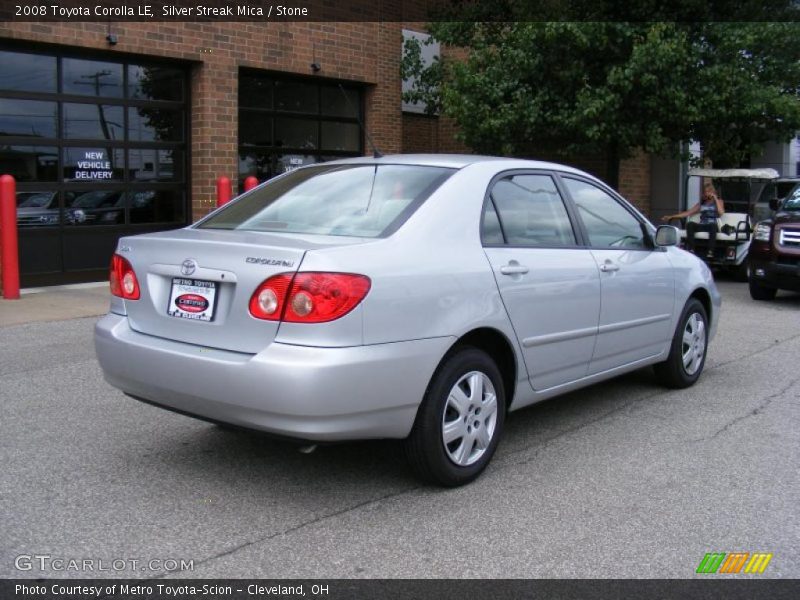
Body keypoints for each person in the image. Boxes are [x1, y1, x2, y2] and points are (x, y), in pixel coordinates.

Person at [662, 185, 725, 257]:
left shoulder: (719, 201)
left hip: (712, 225)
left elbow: (721, 212)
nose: (707, 193)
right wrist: (671, 216)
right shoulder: (702, 203)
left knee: (713, 226)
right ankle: (691, 249)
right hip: (703, 224)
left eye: (709, 191)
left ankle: (710, 251)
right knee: (690, 224)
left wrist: (715, 199)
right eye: (705, 192)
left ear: (713, 192)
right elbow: (688, 213)